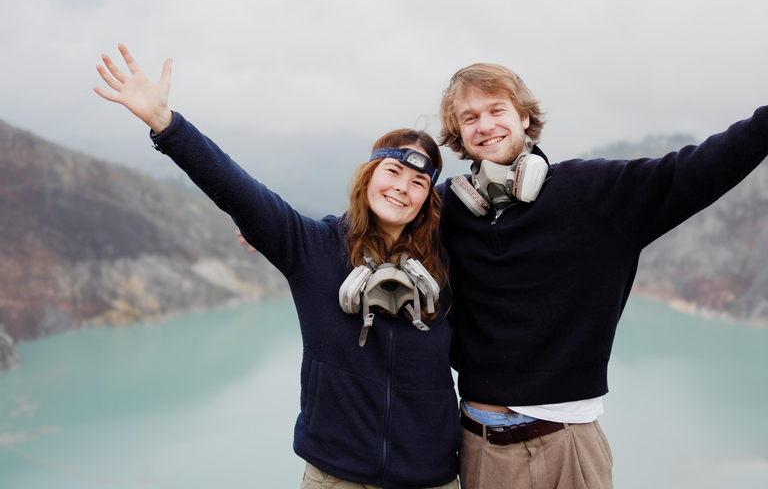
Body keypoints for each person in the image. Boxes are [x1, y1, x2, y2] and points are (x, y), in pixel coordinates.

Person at [93, 44, 460, 489]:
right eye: (393, 172)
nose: (403, 188)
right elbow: (235, 187)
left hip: (427, 477)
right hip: (334, 475)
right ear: (369, 176)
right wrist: (165, 124)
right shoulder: (312, 247)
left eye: (419, 182)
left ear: (428, 199)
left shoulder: (447, 266)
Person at [436, 63, 768, 489]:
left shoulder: (593, 192)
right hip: (481, 449)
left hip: (569, 446)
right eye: (470, 117)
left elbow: (698, 169)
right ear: (458, 134)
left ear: (523, 117)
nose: (485, 125)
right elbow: (372, 223)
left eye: (496, 110)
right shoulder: (445, 209)